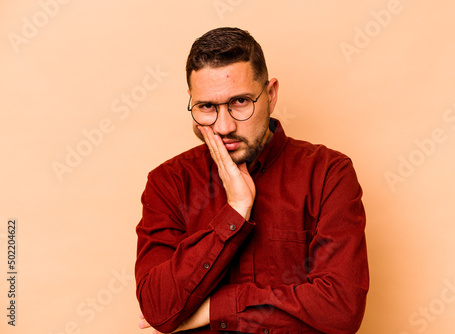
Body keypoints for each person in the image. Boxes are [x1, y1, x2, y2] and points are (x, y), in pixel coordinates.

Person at [135, 27, 369, 334]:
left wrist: (216, 309)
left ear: (270, 95)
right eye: (207, 107)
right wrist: (235, 210)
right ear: (192, 102)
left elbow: (341, 311)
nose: (224, 125)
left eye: (240, 102)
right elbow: (158, 309)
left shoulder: (328, 174)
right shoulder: (169, 182)